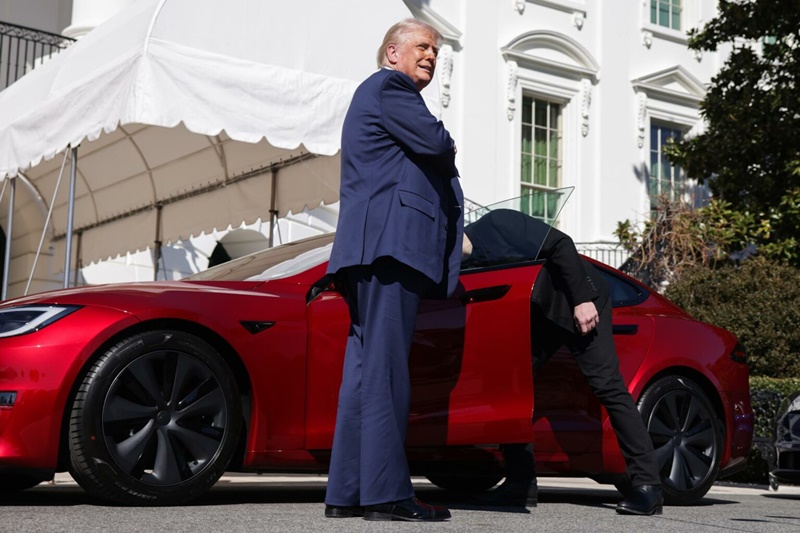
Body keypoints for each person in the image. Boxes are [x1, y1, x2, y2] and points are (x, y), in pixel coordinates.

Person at [323, 19, 463, 522]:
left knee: (364, 375)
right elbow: (436, 143)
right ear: (391, 52)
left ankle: (348, 493)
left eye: (436, 50)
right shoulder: (392, 87)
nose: (431, 55)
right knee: (385, 376)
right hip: (390, 247)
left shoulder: (379, 91)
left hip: (370, 250)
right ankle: (386, 495)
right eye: (422, 46)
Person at [463, 208, 664, 516]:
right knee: (508, 386)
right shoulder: (464, 265)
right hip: (543, 315)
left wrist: (582, 300)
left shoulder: (498, 223)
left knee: (607, 385)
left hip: (581, 299)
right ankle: (520, 484)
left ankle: (648, 486)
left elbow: (561, 244)